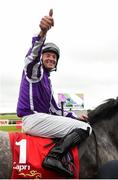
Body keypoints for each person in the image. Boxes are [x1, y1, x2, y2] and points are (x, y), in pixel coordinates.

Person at [17, 9, 92, 177]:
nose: (51, 58)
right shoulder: (35, 73)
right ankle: (54, 157)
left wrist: (74, 117)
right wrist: (42, 33)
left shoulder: (48, 82)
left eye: (54, 57)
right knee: (85, 128)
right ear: (42, 58)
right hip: (33, 119)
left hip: (39, 119)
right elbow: (32, 57)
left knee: (79, 122)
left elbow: (55, 111)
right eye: (48, 55)